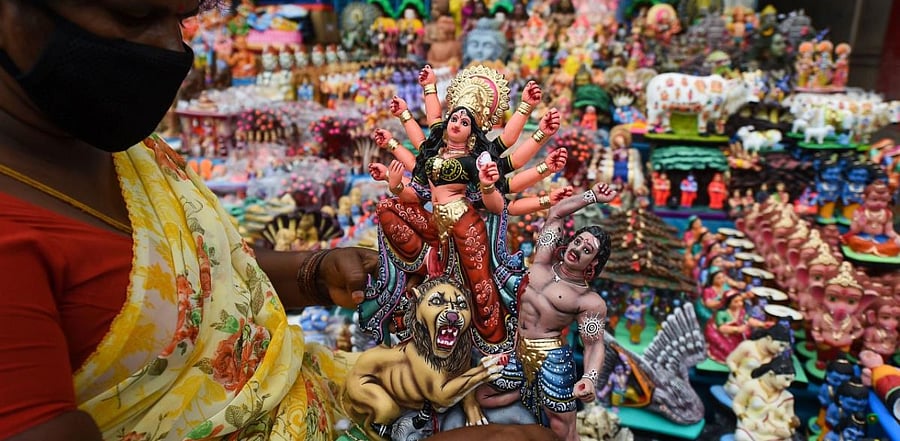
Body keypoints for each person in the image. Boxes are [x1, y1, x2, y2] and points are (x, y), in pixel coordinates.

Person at [0, 2, 559, 441]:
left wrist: (310, 274)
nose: (172, 48)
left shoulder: (107, 140)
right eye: (134, 16)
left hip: (331, 386)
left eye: (181, 17)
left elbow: (187, 279)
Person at [361, 64, 570, 356]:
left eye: (465, 121)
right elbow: (413, 195)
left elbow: (501, 201)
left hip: (465, 226)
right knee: (387, 208)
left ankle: (495, 345)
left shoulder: (477, 162)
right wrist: (393, 183)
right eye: (454, 118)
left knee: (481, 288)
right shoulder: (432, 155)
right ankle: (426, 262)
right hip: (435, 226)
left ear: (473, 134)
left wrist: (532, 122)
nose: (457, 122)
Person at [480, 182, 617, 441]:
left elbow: (594, 345)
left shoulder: (589, 301)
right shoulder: (542, 262)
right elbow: (556, 213)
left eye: (587, 250)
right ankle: (524, 392)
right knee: (483, 395)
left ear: (594, 263)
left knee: (563, 430)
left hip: (551, 359)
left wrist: (589, 378)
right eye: (578, 242)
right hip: (516, 349)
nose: (577, 250)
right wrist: (592, 196)